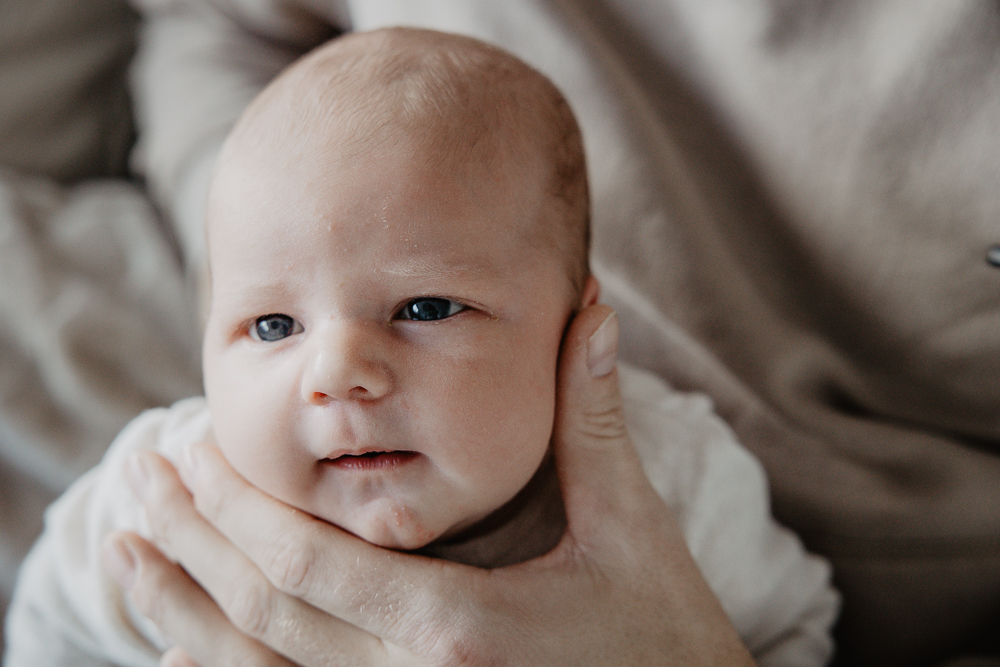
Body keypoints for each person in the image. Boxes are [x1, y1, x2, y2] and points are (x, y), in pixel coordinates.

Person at [2, 28, 838, 667]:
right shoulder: (164, 501)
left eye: (426, 305)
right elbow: (47, 628)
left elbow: (794, 625)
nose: (335, 373)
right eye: (272, 326)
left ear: (576, 330)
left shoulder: (677, 484)